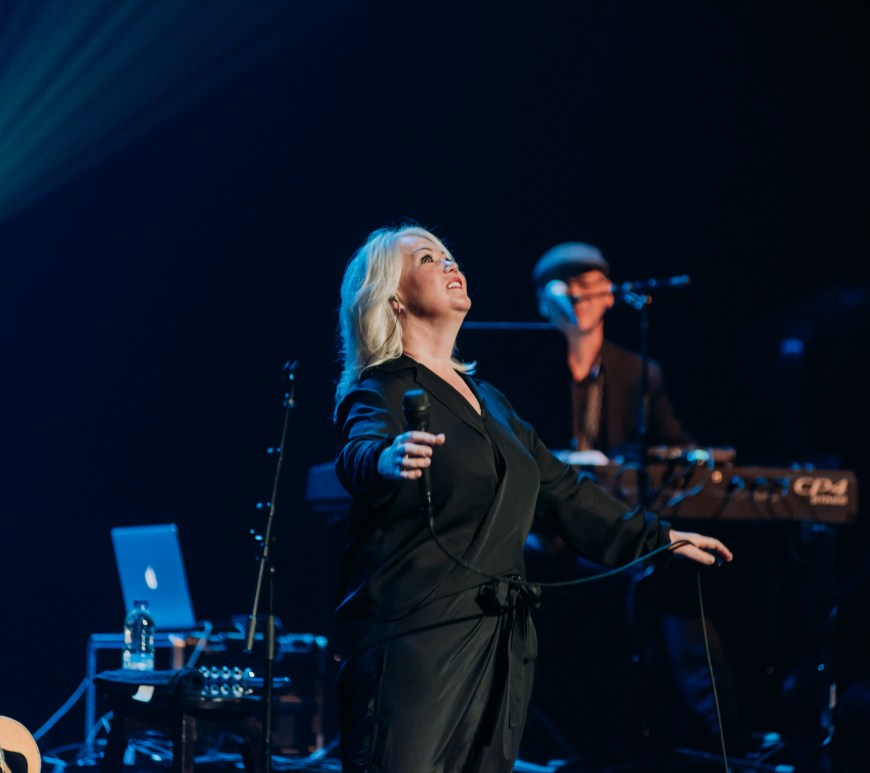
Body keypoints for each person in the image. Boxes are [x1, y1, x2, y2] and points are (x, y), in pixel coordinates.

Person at [331, 224, 732, 773]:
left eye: (448, 254)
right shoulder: (382, 387)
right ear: (393, 297)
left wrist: (659, 538)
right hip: (415, 639)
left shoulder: (491, 402)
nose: (449, 263)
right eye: (427, 258)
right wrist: (384, 458)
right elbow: (359, 449)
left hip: (497, 639)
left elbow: (562, 489)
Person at [529, 241, 764, 763]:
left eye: (592, 287)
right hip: (544, 530)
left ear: (611, 296)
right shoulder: (528, 366)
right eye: (568, 288)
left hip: (609, 525)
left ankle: (723, 735)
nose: (581, 297)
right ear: (546, 300)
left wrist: (704, 461)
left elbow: (676, 447)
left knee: (670, 569)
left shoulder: (638, 372)